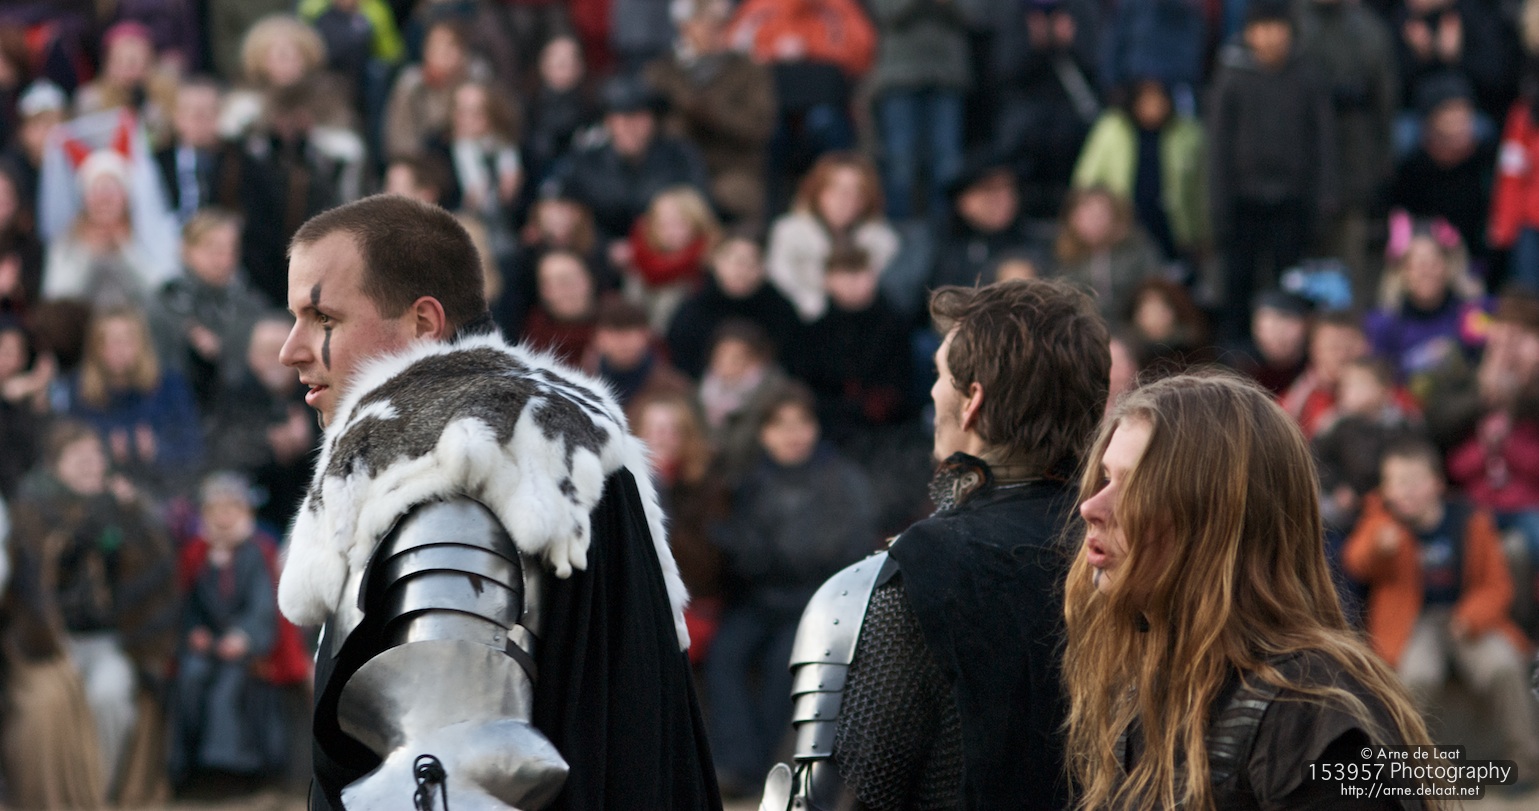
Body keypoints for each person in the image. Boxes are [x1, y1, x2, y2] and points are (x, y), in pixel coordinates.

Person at [273, 194, 718, 810]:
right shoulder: (563, 427)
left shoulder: (451, 462)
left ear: (424, 323)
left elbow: (451, 778)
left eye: (322, 317)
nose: (291, 350)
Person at [763, 279, 1110, 810]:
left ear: (973, 402)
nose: (931, 393)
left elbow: (833, 799)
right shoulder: (1136, 549)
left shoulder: (922, 569)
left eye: (941, 376)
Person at [1064, 372, 1438, 809]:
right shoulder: (1151, 671)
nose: (1090, 507)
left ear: (1218, 522)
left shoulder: (1310, 716)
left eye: (1135, 487)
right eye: (1105, 478)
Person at [706, 382, 876, 795]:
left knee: (783, 667)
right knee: (724, 656)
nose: (792, 434)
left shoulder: (842, 479)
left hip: (817, 603)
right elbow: (738, 549)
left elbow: (847, 548)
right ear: (763, 433)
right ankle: (736, 763)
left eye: (801, 422)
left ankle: (761, 769)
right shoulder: (748, 481)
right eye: (780, 425)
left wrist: (766, 555)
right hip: (760, 601)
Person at [1343, 437, 1539, 780]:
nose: (1405, 492)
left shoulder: (1470, 520)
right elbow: (1356, 562)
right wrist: (1378, 547)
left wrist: (1471, 618)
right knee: (1416, 677)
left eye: (1413, 482)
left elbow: (1497, 585)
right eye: (1396, 483)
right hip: (1413, 624)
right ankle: (1408, 772)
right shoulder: (1381, 522)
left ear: (1436, 483)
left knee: (1504, 667)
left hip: (1466, 618)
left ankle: (1525, 763)